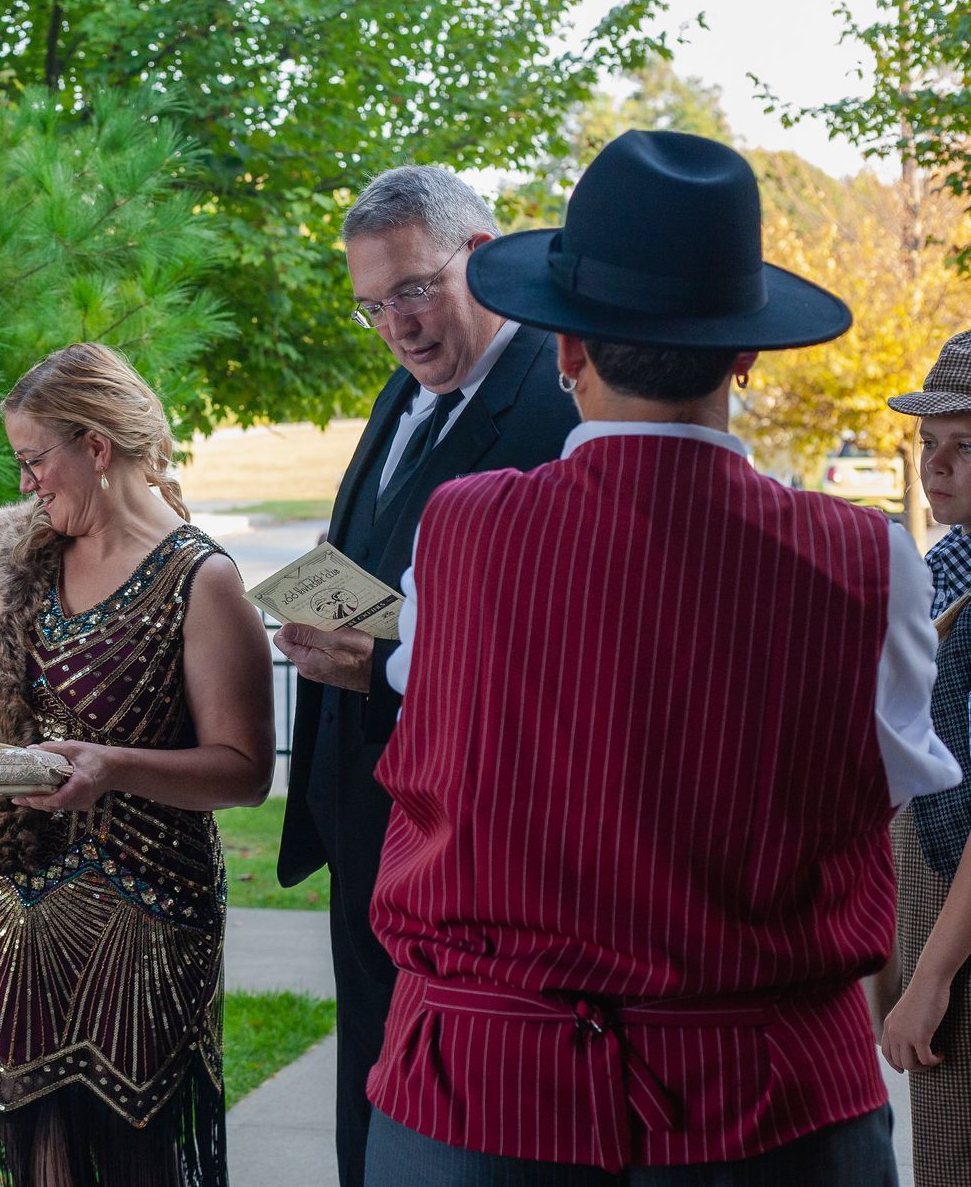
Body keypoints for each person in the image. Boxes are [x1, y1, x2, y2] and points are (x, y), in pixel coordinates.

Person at [362, 130, 962, 1184]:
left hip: (483, 1104)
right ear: (744, 353)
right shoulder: (867, 560)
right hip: (769, 1109)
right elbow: (888, 787)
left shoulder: (457, 531)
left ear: (566, 349)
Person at [0, 342, 273, 1186]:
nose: (26, 483)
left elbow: (245, 770)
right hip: (8, 906)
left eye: (35, 459)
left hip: (142, 912)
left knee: (130, 1150)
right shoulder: (21, 555)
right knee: (34, 1150)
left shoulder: (200, 580)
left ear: (96, 447)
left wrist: (112, 767)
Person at [272, 165, 579, 1186]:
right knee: (368, 1073)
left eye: (412, 289)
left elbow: (547, 639)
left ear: (482, 258)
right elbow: (378, 547)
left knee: (440, 1108)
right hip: (360, 803)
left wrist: (389, 656)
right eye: (372, 307)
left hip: (467, 830)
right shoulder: (403, 388)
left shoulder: (555, 404)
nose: (398, 325)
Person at [879, 331, 971, 1186]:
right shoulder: (946, 566)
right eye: (927, 443)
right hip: (931, 897)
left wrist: (930, 979)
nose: (933, 468)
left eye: (965, 446)